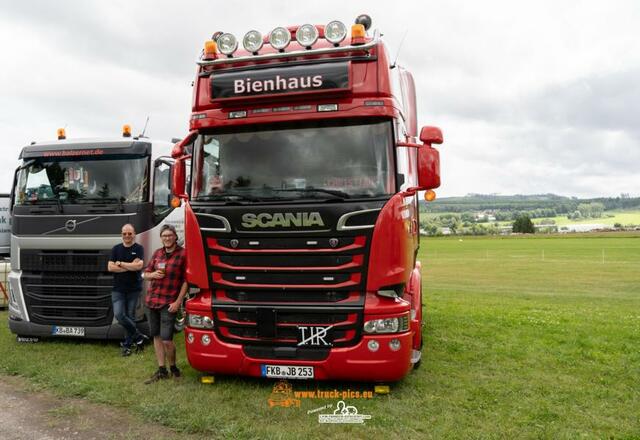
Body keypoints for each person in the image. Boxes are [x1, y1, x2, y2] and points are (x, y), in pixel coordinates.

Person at [142, 224, 188, 384]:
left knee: (167, 339)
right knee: (156, 335)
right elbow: (145, 274)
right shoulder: (157, 253)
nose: (167, 238)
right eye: (164, 236)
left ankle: (174, 367)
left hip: (169, 302)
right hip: (152, 300)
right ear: (161, 238)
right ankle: (162, 370)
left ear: (175, 237)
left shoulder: (183, 254)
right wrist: (151, 274)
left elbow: (186, 281)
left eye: (170, 235)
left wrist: (178, 301)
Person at [107, 224, 148, 356]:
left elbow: (139, 266)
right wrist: (130, 265)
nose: (127, 236)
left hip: (133, 289)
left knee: (130, 316)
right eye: (125, 233)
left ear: (134, 234)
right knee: (119, 315)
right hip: (118, 289)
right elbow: (110, 268)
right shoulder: (116, 249)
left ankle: (127, 346)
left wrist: (120, 263)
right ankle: (139, 336)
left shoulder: (139, 248)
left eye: (129, 233)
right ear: (121, 234)